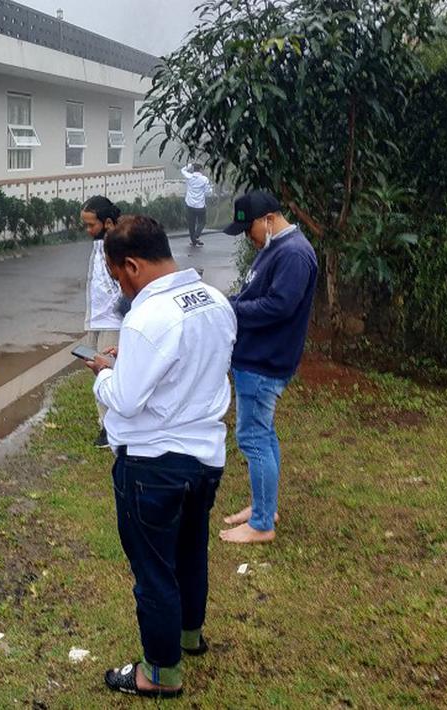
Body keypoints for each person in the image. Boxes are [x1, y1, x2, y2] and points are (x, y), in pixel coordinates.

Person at [84, 215, 236, 699]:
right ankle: (189, 637)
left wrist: (104, 373)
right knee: (191, 551)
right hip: (205, 457)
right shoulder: (214, 301)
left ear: (131, 265)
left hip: (152, 465)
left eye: (116, 277)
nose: (118, 287)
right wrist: (126, 364)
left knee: (153, 570)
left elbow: (126, 399)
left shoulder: (148, 317)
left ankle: (160, 674)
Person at [218, 191, 318, 545]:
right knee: (263, 433)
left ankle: (262, 523)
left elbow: (279, 306)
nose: (249, 237)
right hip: (256, 358)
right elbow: (253, 296)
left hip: (264, 361)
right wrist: (227, 303)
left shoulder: (293, 254)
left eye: (249, 229)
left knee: (253, 437)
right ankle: (265, 506)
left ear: (269, 220)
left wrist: (231, 311)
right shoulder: (275, 249)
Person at [80, 195, 124, 448]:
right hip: (96, 317)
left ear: (107, 222)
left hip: (113, 320)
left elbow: (120, 284)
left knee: (108, 371)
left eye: (90, 225)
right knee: (94, 369)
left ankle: (111, 428)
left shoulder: (119, 244)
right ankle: (105, 423)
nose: (88, 230)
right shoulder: (99, 242)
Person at [181, 163, 213, 247]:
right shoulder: (204, 179)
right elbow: (208, 192)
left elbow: (182, 170)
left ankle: (193, 240)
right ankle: (196, 236)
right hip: (200, 205)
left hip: (190, 204)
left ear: (193, 169)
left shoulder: (189, 177)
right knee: (202, 222)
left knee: (191, 223)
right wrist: (210, 190)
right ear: (201, 170)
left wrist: (190, 165)